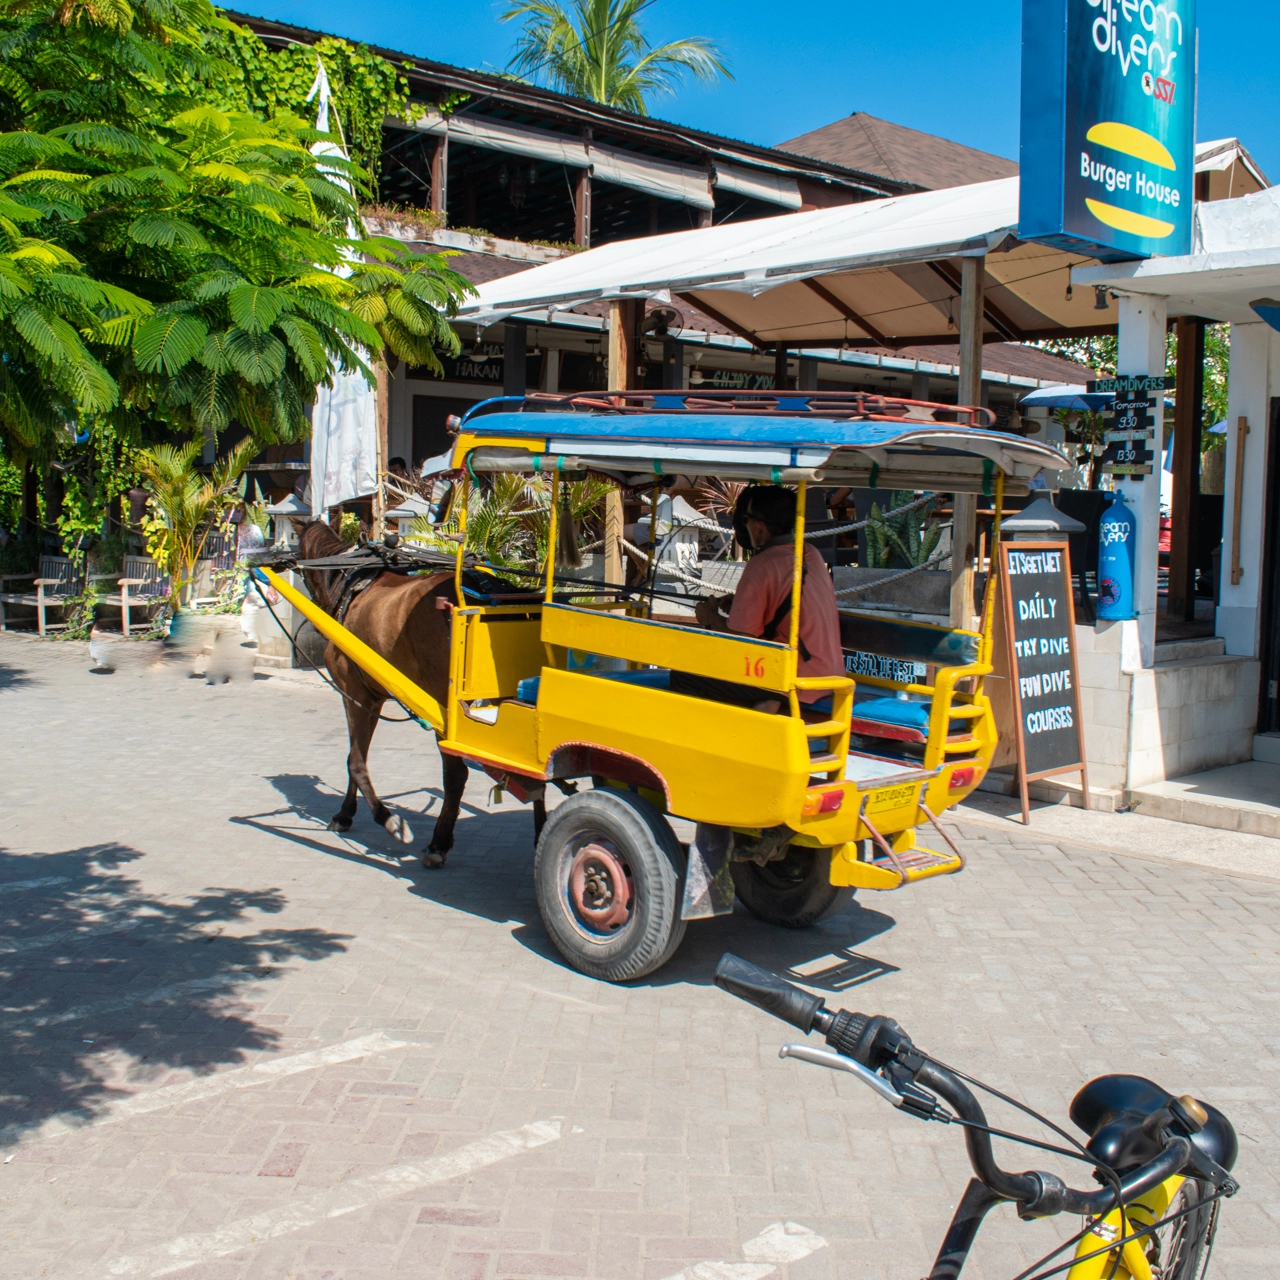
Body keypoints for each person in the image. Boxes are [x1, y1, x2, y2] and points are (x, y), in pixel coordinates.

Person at [670, 485, 844, 711]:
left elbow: (742, 642)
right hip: (829, 672)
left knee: (684, 677)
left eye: (747, 519)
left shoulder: (763, 564)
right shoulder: (810, 551)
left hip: (793, 676)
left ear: (759, 528)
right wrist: (739, 601)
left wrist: (710, 616)